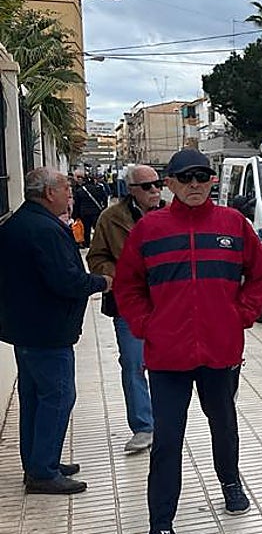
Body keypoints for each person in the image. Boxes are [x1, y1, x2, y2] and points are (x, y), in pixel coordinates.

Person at [114, 149, 262, 534]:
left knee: (223, 422)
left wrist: (242, 314)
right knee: (167, 440)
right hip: (168, 357)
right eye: (186, 177)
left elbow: (260, 272)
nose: (195, 184)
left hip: (219, 352)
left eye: (203, 176)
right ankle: (160, 530)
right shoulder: (149, 230)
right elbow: (127, 286)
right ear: (170, 183)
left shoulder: (233, 225)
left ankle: (230, 481)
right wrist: (147, 324)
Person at [0, 168, 110, 494]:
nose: (70, 196)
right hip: (46, 330)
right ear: (50, 193)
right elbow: (66, 281)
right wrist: (103, 282)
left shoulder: (20, 222)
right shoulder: (44, 230)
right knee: (58, 395)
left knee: (35, 397)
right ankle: (43, 472)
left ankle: (38, 462)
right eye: (66, 190)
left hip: (26, 327)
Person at [87, 164, 165, 454]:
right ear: (131, 190)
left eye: (157, 184)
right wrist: (122, 277)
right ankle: (143, 426)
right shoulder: (111, 218)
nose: (155, 190)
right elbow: (96, 257)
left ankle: (165, 420)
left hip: (167, 303)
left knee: (166, 363)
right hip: (129, 305)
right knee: (133, 363)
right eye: (147, 186)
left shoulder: (172, 214)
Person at [72, 173, 108, 248]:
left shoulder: (80, 190)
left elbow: (77, 204)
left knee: (86, 229)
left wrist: (76, 215)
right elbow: (104, 198)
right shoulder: (99, 189)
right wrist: (104, 209)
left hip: (84, 213)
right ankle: (100, 243)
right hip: (96, 212)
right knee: (98, 229)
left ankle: (87, 243)